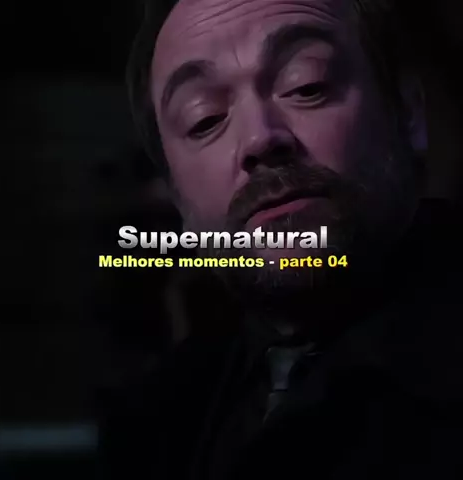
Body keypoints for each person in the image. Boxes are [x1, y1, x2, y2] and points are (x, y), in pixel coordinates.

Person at [101, 0, 463, 478]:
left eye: (305, 85)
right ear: (176, 196)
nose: (260, 139)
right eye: (204, 118)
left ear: (409, 113)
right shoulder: (161, 424)